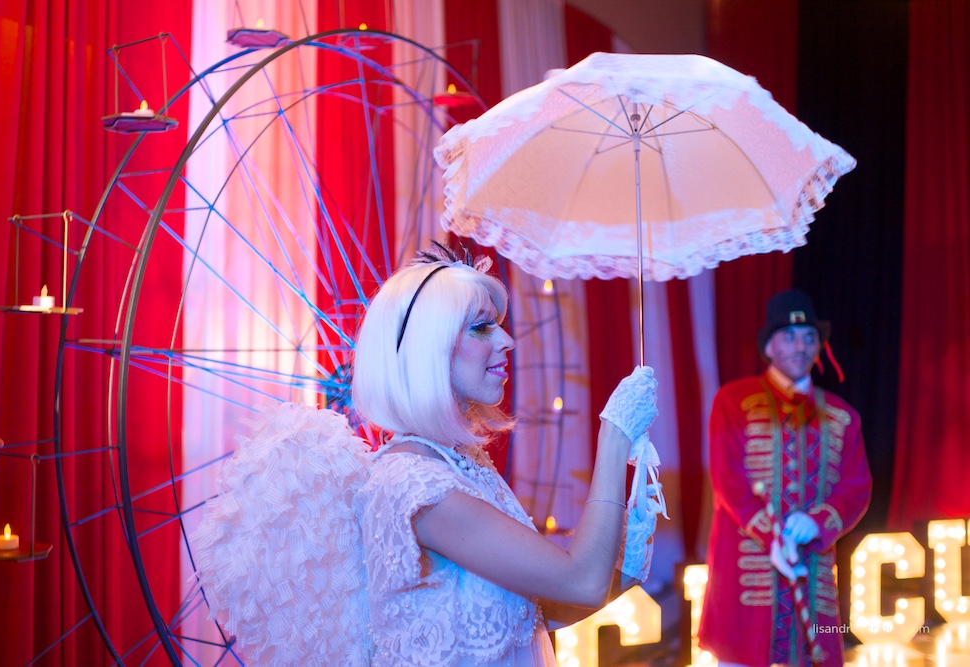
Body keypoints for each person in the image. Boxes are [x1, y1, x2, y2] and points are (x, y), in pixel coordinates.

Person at [192, 243, 663, 666]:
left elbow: (545, 611)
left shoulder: (465, 469)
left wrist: (623, 568)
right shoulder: (415, 486)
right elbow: (576, 580)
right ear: (427, 352)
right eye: (481, 328)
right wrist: (614, 434)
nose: (506, 341)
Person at [698, 289, 871, 667]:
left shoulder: (843, 416)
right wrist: (769, 534)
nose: (801, 346)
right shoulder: (734, 401)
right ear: (769, 347)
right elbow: (728, 479)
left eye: (810, 337)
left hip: (812, 570)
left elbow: (856, 488)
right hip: (746, 576)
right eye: (790, 336)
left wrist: (816, 522)